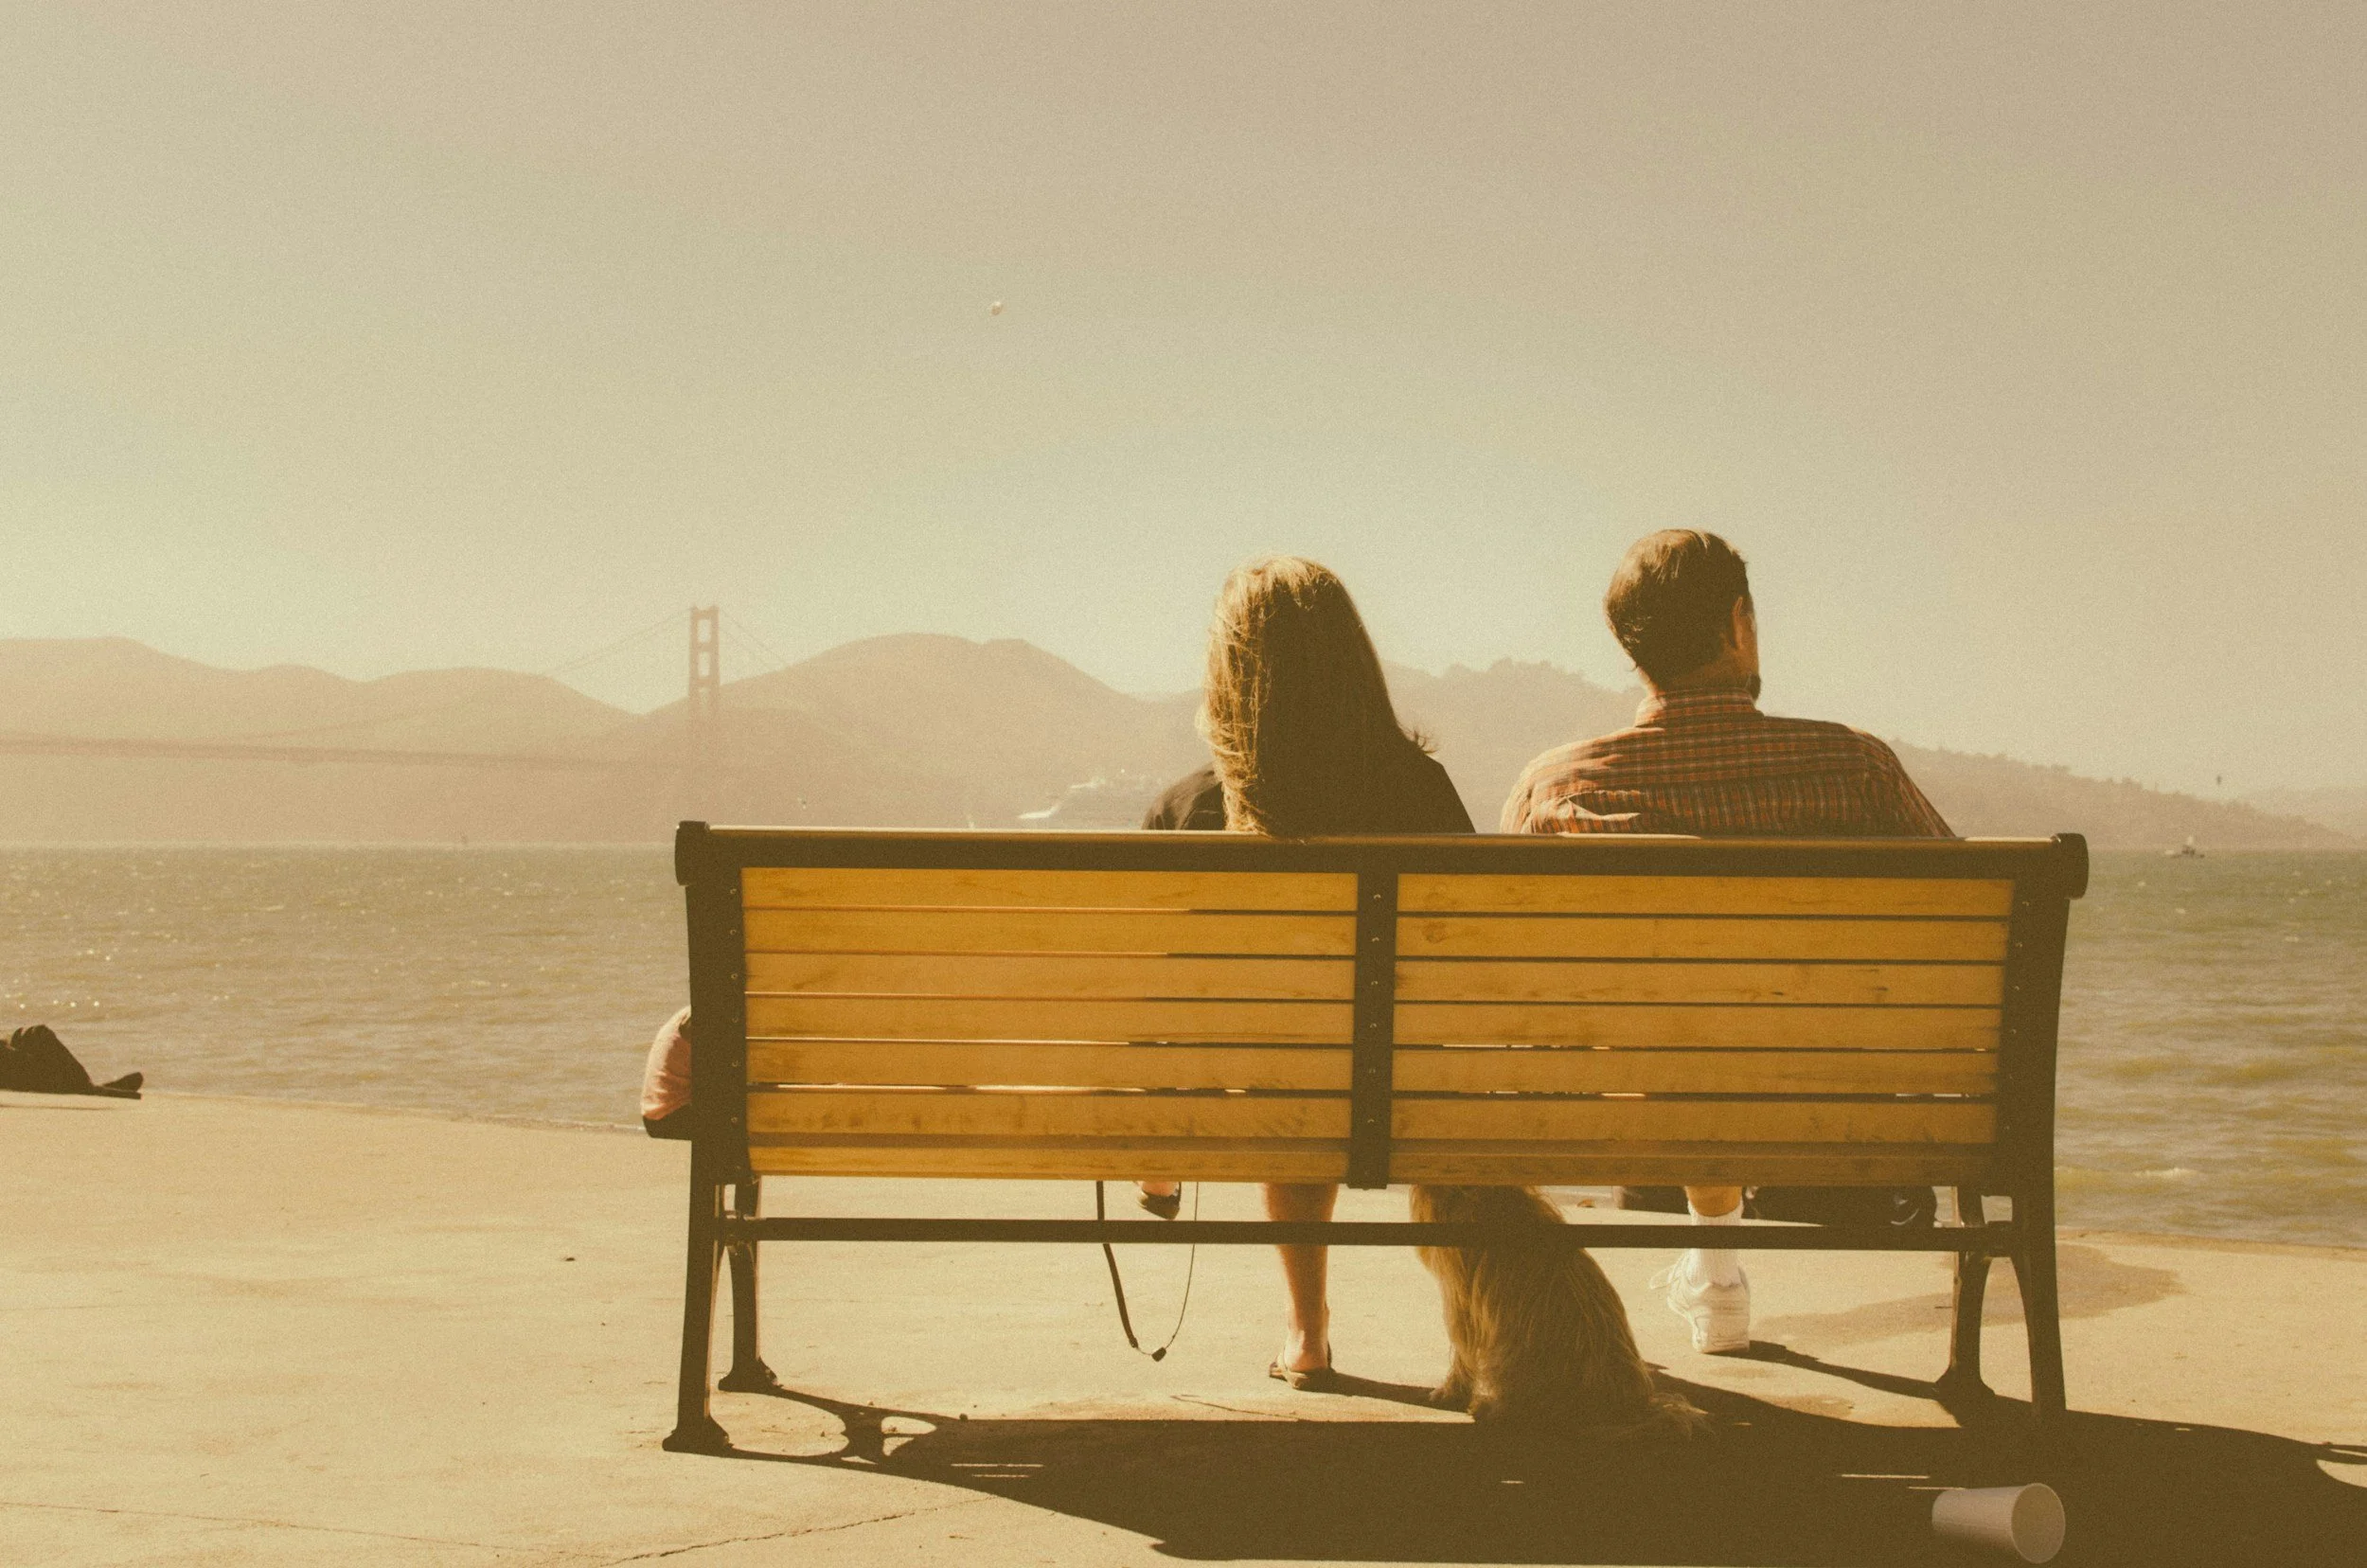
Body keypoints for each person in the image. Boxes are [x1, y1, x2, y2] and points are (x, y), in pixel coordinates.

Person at [1501, 530, 1952, 1355]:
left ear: (1632, 651)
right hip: (1842, 1135)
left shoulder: (1556, 789)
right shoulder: (1855, 769)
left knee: (1670, 1074)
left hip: (1643, 1133)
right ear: (1739, 623)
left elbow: (1506, 983)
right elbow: (1963, 945)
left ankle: (1711, 1257)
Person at [1138, 556, 1472, 1387]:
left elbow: (1151, 987)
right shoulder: (1419, 789)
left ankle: (1307, 1328)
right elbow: (1465, 958)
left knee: (1286, 1073)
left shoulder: (1190, 808)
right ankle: (1481, 1334)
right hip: (1410, 1083)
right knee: (1328, 1059)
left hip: (1264, 1085)